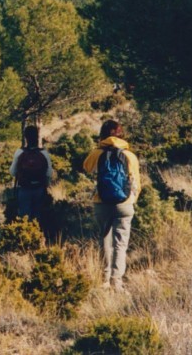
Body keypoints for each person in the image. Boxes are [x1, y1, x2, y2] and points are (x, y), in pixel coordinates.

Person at [83, 119, 140, 292]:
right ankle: (117, 280)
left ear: (102, 134)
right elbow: (136, 181)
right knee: (120, 243)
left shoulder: (97, 153)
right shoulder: (130, 155)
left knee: (105, 240)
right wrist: (132, 200)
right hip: (125, 203)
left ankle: (104, 279)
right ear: (121, 135)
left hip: (102, 202)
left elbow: (86, 168)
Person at [9, 123, 54, 221]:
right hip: (39, 189)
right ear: (37, 137)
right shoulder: (44, 153)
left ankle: (26, 233)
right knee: (38, 216)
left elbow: (12, 172)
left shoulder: (20, 152)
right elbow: (49, 173)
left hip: (24, 189)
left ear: (26, 137)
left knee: (24, 217)